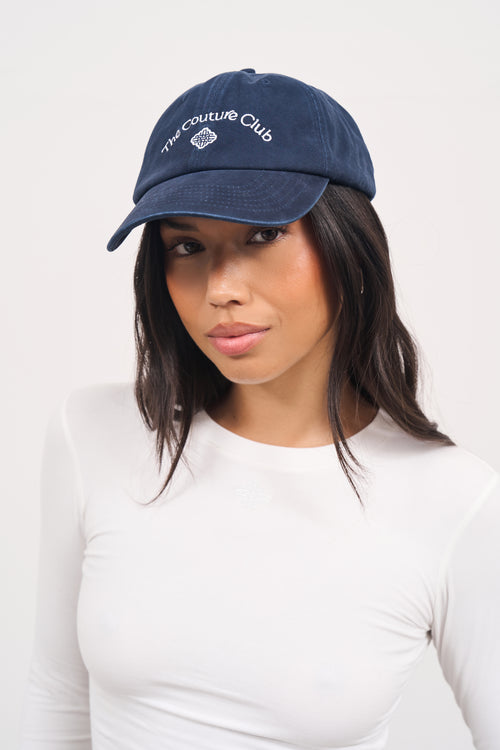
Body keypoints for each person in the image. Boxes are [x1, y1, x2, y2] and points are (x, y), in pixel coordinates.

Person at [21, 69, 499, 750]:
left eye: (262, 234)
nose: (221, 288)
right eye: (187, 246)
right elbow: (56, 699)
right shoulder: (92, 434)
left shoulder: (456, 502)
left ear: (348, 243)